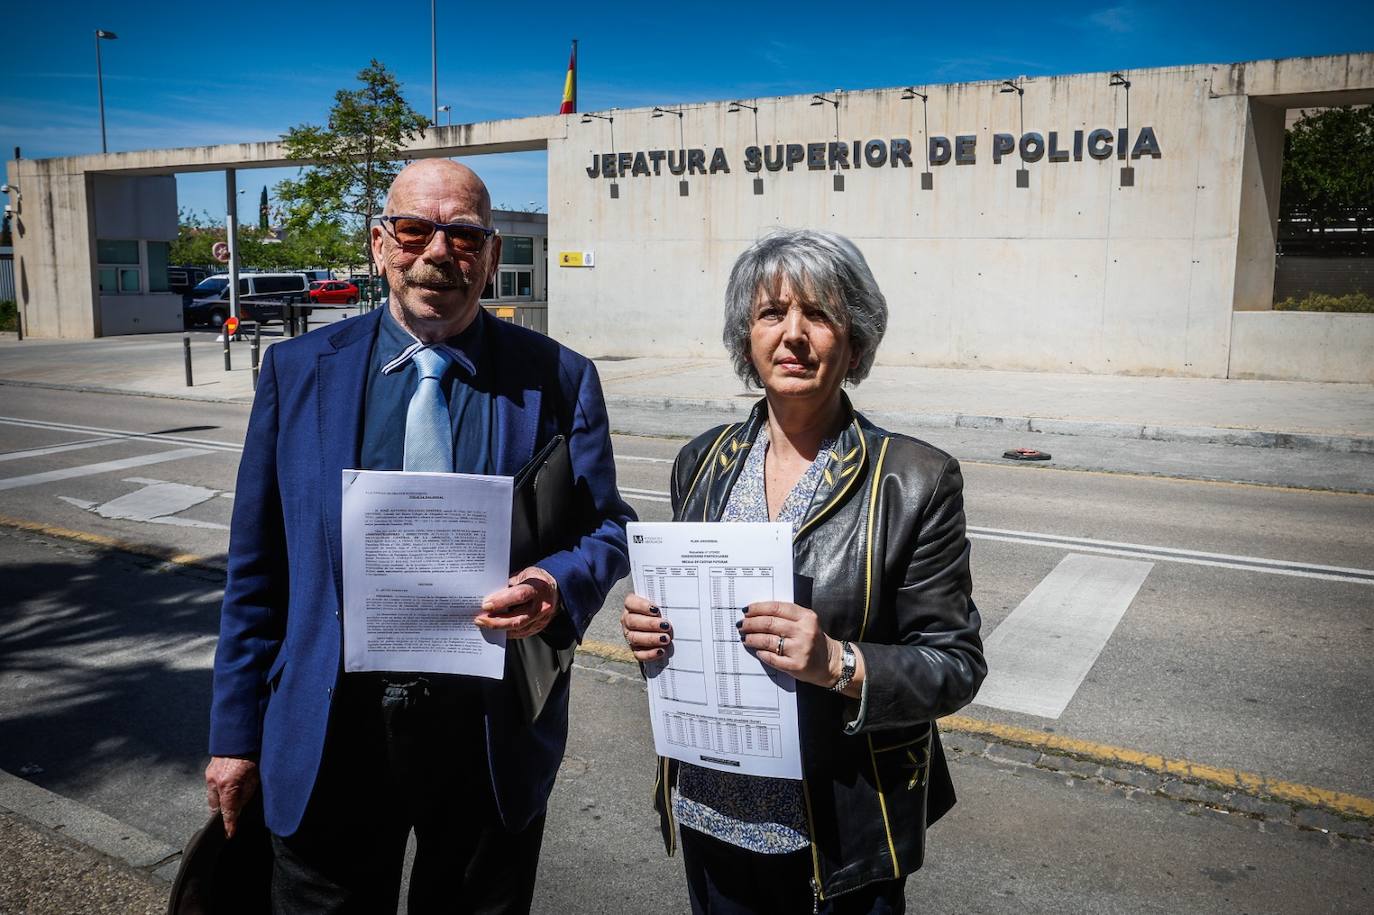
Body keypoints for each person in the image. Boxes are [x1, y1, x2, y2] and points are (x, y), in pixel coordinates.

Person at [206, 159, 634, 913]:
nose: (439, 251)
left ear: (492, 255)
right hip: (331, 730)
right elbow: (256, 569)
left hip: (486, 733)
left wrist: (553, 583)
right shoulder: (296, 372)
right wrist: (235, 736)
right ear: (380, 245)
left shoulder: (560, 378)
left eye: (464, 235)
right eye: (415, 229)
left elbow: (607, 525)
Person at [621, 229, 985, 914]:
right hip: (709, 814)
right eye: (771, 313)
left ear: (853, 342)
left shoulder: (914, 480)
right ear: (746, 337)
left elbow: (956, 663)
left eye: (818, 314)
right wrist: (652, 636)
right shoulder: (701, 461)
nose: (793, 334)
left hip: (836, 836)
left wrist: (838, 663)